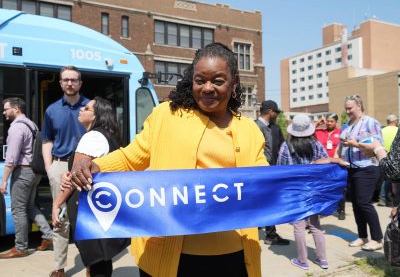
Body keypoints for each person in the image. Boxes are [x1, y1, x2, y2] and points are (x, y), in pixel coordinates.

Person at [70, 43, 268, 276]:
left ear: (234, 84)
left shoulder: (250, 130)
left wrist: (314, 177)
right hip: (169, 255)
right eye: (199, 80)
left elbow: (265, 182)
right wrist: (95, 166)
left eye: (217, 81)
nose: (207, 88)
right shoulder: (167, 115)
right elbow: (132, 158)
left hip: (233, 258)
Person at [52, 97, 130, 277]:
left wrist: (57, 203)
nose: (81, 110)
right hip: (102, 208)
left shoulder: (93, 136)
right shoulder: (109, 136)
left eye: (86, 108)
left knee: (96, 261)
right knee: (102, 258)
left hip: (86, 209)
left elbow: (75, 176)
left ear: (97, 115)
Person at [42, 66, 90, 277]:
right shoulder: (52, 110)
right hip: (60, 165)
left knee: (85, 217)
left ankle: (91, 263)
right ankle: (59, 267)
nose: (70, 83)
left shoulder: (90, 108)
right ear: (60, 83)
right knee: (59, 217)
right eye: (65, 80)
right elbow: (47, 140)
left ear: (80, 83)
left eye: (73, 80)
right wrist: (50, 168)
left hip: (85, 167)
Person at [0, 98, 53, 258]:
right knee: (29, 207)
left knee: (18, 209)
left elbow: (12, 157)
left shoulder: (16, 128)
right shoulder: (31, 124)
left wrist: (4, 180)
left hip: (23, 172)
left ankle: (20, 247)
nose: (4, 112)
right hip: (34, 171)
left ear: (16, 109)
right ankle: (49, 236)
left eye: (6, 109)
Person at [277, 114, 330, 270]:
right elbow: (326, 162)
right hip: (314, 189)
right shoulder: (316, 144)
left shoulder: (286, 146)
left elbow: (281, 168)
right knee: (315, 225)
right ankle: (323, 259)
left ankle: (302, 260)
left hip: (296, 191)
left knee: (299, 226)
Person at [339, 94, 383, 251]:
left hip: (367, 167)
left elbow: (378, 145)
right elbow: (341, 146)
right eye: (346, 108)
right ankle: (363, 236)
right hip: (350, 168)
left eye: (350, 108)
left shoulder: (370, 122)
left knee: (364, 202)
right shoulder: (346, 124)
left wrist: (356, 144)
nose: (348, 111)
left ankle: (377, 239)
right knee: (356, 205)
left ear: (359, 106)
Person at [255, 100, 289, 245]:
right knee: (268, 203)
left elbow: (280, 148)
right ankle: (271, 235)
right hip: (259, 173)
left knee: (265, 203)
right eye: (276, 112)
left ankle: (265, 230)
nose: (276, 115)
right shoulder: (253, 127)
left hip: (271, 171)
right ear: (271, 112)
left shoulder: (273, 128)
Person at [315, 113, 345, 220]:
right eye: (327, 121)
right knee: (323, 187)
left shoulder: (340, 132)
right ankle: (324, 209)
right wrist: (318, 123)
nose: (329, 123)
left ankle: (341, 210)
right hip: (322, 164)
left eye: (331, 121)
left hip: (336, 164)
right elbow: (307, 131)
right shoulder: (319, 132)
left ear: (336, 122)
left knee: (339, 187)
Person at [377, 114, 398, 207]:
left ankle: (382, 198)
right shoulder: (397, 130)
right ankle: (388, 200)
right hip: (395, 157)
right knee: (392, 181)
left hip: (382, 156)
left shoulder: (382, 131)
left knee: (385, 180)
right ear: (395, 121)